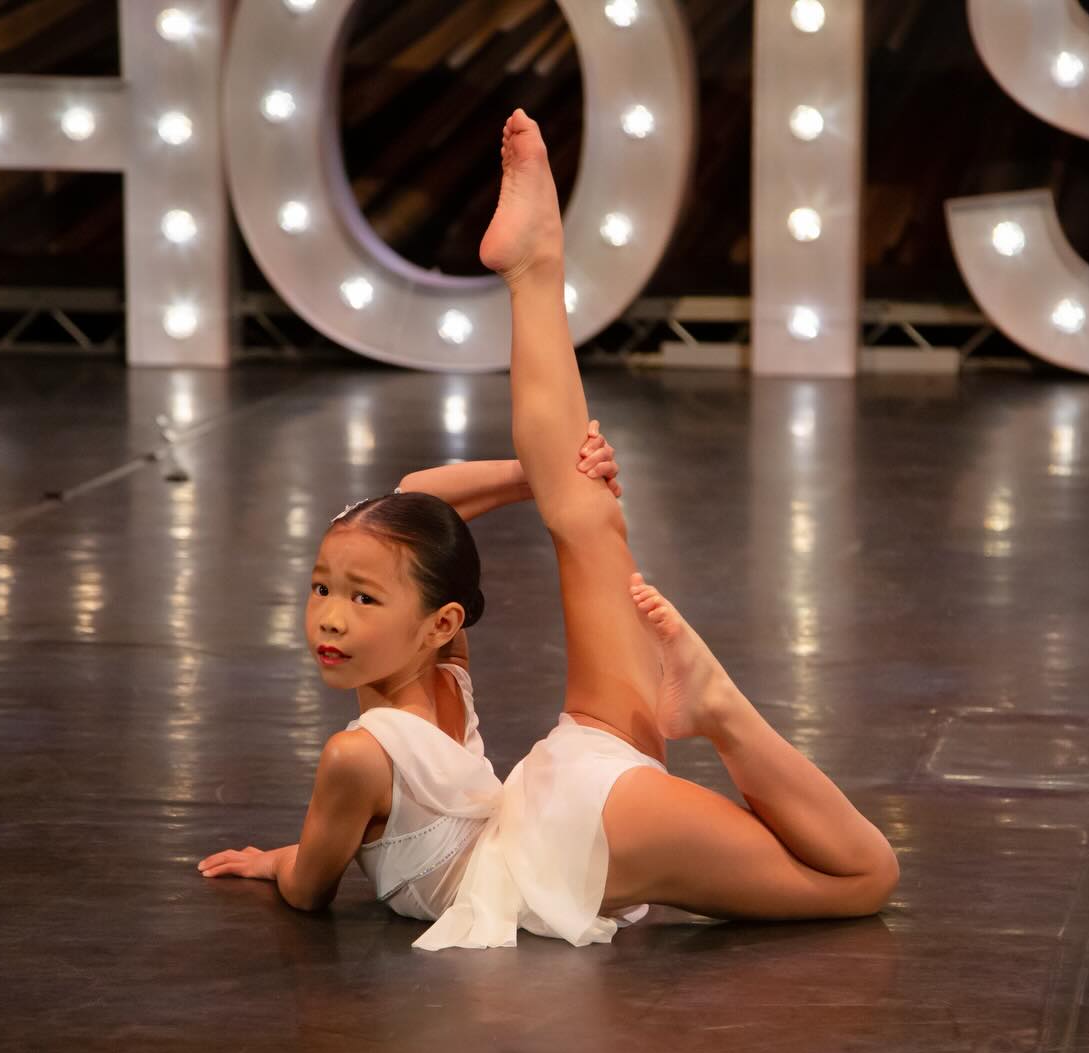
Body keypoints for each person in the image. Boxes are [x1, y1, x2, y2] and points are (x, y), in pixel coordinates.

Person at [196, 109, 900, 948]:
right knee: (588, 521)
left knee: (863, 879)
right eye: (322, 590)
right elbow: (422, 502)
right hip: (569, 778)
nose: (332, 618)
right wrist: (547, 476)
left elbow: (311, 886)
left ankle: (722, 712)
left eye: (359, 597)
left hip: (557, 848)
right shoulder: (440, 667)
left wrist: (279, 861)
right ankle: (535, 271)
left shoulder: (359, 752)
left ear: (439, 624)